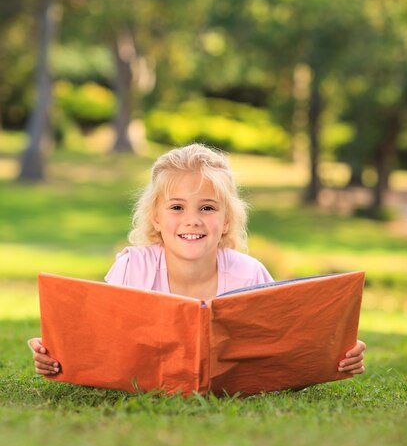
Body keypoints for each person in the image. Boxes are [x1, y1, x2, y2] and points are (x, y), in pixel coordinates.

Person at [28, 143, 366, 378]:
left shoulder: (250, 274)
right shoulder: (133, 267)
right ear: (156, 218)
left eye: (207, 207)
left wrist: (337, 355)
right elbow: (97, 340)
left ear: (227, 220)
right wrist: (53, 354)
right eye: (177, 207)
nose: (192, 220)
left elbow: (283, 349)